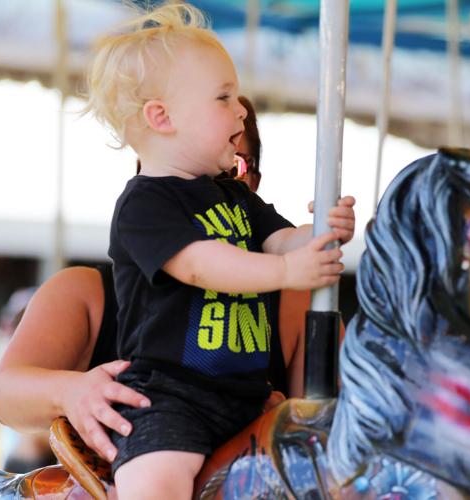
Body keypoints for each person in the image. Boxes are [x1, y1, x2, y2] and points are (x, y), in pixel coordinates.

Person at [84, 3, 354, 497]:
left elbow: (281, 236)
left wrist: (321, 231)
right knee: (157, 479)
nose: (241, 109)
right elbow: (203, 264)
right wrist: (290, 268)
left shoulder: (234, 196)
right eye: (223, 97)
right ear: (161, 117)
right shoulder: (146, 204)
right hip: (169, 399)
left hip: (246, 397)